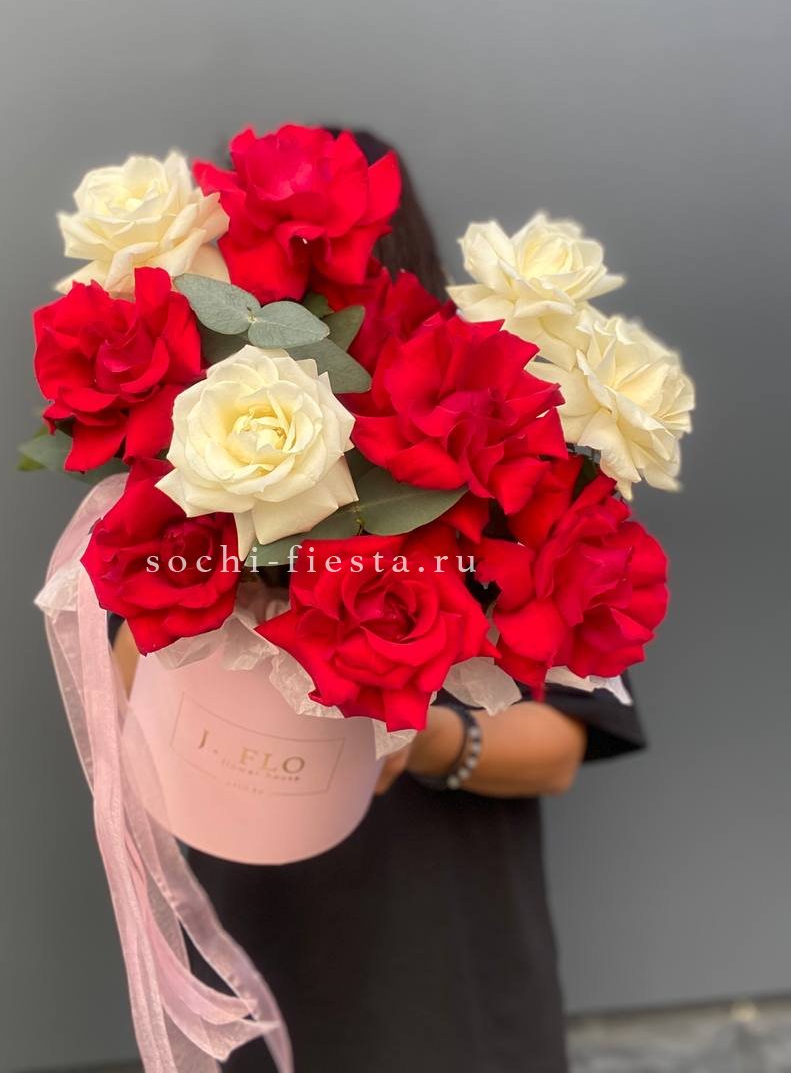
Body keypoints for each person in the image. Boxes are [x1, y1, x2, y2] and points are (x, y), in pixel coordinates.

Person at [109, 131, 645, 1072]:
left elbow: (562, 744)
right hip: (253, 950)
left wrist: (422, 739)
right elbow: (128, 690)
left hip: (446, 964)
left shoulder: (511, 446)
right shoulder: (205, 440)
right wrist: (215, 529)